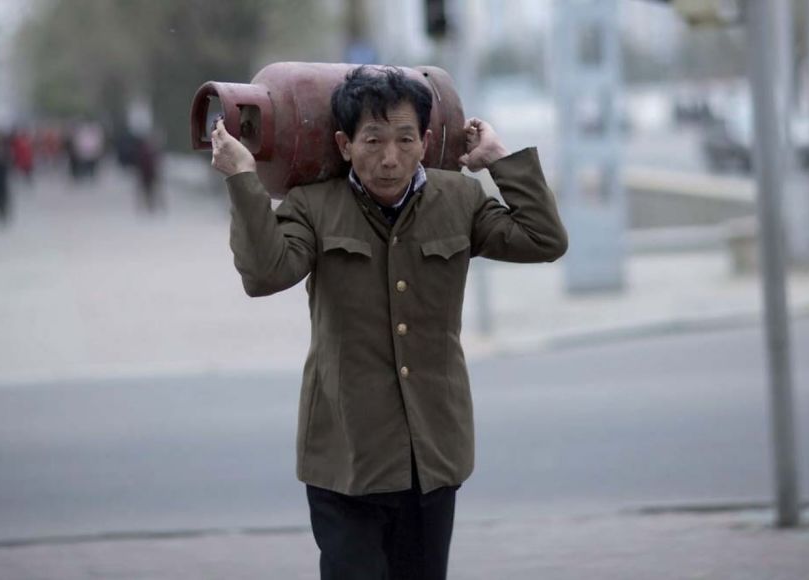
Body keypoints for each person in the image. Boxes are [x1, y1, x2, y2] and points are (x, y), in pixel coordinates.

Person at [210, 65, 568, 579]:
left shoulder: (459, 199)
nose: (390, 158)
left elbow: (544, 239)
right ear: (345, 143)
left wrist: (498, 161)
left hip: (433, 454)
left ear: (425, 141)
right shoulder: (313, 206)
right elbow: (264, 274)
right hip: (346, 458)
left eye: (405, 139)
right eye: (373, 140)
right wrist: (243, 178)